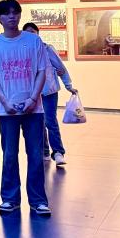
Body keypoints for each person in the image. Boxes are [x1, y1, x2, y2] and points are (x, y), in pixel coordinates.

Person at [0, 0, 50, 216]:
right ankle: (10, 198)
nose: (12, 17)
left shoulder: (33, 40)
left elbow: (41, 71)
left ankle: (38, 200)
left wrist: (33, 98)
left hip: (34, 109)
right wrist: (4, 101)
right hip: (8, 110)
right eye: (7, 13)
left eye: (15, 12)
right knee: (10, 155)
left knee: (36, 155)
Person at [22, 23, 76, 167]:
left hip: (48, 91)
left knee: (50, 122)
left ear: (38, 33)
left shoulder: (47, 49)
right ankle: (44, 151)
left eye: (32, 32)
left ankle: (58, 152)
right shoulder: (22, 51)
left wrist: (69, 85)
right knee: (38, 123)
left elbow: (61, 68)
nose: (30, 35)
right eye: (27, 33)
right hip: (32, 93)